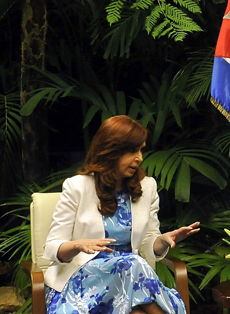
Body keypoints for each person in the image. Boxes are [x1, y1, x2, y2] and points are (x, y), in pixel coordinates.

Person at [43, 115, 200, 313]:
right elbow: (52, 247)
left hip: (129, 281)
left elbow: (147, 243)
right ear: (111, 151)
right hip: (83, 279)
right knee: (132, 264)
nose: (140, 158)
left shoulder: (147, 188)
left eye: (141, 149)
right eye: (132, 150)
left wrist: (163, 240)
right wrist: (77, 245)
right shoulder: (77, 187)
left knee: (135, 305)